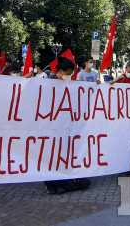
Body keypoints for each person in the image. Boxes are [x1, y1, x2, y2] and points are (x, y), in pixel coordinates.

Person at [44, 57, 90, 194]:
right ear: (61, 71)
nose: (70, 77)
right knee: (51, 155)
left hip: (65, 126)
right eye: (69, 74)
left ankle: (64, 178)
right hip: (50, 126)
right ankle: (51, 182)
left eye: (72, 74)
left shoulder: (71, 84)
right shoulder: (46, 83)